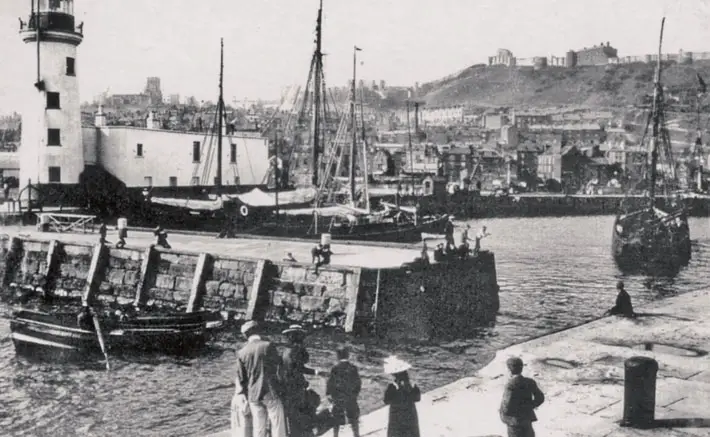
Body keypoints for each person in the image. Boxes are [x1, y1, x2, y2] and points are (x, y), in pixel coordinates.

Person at [233, 321, 287, 437]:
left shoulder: (241, 352)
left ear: (245, 335)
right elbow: (279, 368)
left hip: (253, 395)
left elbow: (242, 379)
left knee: (258, 429)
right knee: (277, 426)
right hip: (270, 391)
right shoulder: (268, 346)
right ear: (258, 331)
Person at [281, 324, 320, 437]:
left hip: (288, 386)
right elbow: (299, 368)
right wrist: (315, 373)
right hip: (295, 386)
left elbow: (295, 368)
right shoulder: (296, 350)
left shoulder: (287, 350)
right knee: (300, 410)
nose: (303, 338)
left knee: (293, 413)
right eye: (301, 336)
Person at [499, 357, 545, 437]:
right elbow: (540, 398)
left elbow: (506, 406)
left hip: (514, 423)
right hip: (527, 420)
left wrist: (502, 413)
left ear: (509, 370)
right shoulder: (529, 382)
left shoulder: (510, 385)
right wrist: (529, 406)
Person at [327, 347, 362, 437]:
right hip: (351, 397)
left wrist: (330, 395)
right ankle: (356, 435)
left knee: (336, 420)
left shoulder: (334, 368)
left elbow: (330, 384)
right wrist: (355, 394)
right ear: (348, 356)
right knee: (354, 419)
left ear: (338, 356)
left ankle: (336, 435)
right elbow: (358, 383)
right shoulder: (353, 368)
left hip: (338, 397)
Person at [383, 356, 420, 437]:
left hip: (396, 416)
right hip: (410, 415)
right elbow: (417, 398)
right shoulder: (410, 385)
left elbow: (386, 401)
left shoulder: (392, 386)